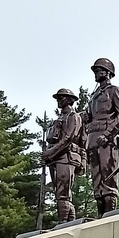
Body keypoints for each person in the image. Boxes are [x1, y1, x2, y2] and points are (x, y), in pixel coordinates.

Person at [82, 58, 119, 216]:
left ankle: (109, 215)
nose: (96, 73)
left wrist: (108, 134)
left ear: (108, 73)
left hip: (108, 140)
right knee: (97, 180)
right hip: (93, 139)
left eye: (99, 70)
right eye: (95, 71)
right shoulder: (94, 96)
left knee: (108, 178)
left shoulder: (115, 91)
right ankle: (100, 214)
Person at [42, 88, 84, 223]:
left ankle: (63, 223)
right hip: (56, 158)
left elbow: (68, 138)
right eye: (58, 98)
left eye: (62, 98)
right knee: (61, 194)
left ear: (70, 100)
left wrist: (50, 152)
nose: (59, 101)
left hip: (67, 157)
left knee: (63, 194)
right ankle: (68, 222)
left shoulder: (73, 117)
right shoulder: (59, 118)